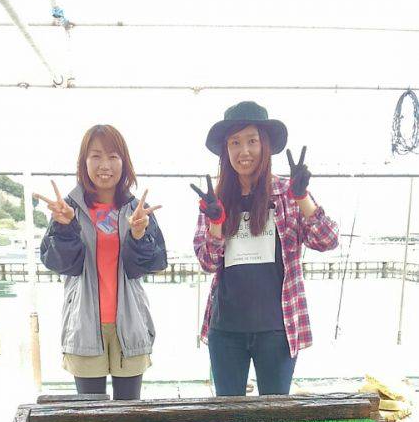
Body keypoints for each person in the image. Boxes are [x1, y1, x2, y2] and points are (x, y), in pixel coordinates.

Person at [191, 101, 339, 397]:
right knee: (228, 416)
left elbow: (327, 239)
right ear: (225, 151)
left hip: (277, 328)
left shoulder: (286, 193)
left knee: (275, 415)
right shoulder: (216, 198)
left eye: (251, 141)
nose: (243, 151)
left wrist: (302, 196)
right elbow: (207, 262)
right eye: (234, 143)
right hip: (226, 330)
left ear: (265, 145)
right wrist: (216, 220)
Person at [37, 124, 166, 400]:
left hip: (130, 326)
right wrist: (64, 227)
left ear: (124, 163)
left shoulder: (137, 209)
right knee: (90, 413)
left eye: (113, 156)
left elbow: (153, 263)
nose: (104, 165)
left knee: (128, 413)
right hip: (84, 326)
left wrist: (139, 234)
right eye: (95, 156)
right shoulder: (67, 209)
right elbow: (59, 263)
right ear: (84, 162)